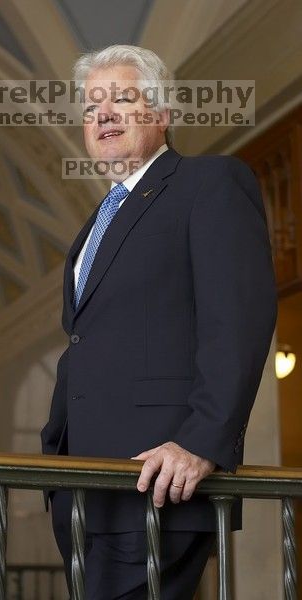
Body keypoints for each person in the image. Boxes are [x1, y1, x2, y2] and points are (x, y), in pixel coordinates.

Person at [40, 45, 277, 600]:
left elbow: (239, 318)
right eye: (92, 105)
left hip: (159, 478)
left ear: (162, 114)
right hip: (82, 486)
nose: (103, 114)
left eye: (122, 98)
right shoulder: (97, 222)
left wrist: (201, 441)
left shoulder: (210, 182)